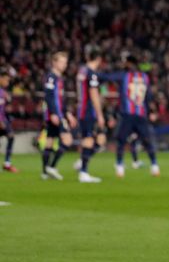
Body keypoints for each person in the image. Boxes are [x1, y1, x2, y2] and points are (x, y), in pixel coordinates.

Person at [106, 53, 160, 178]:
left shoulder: (124, 76)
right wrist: (151, 112)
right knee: (147, 141)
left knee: (121, 141)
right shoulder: (145, 77)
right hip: (141, 114)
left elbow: (107, 77)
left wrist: (93, 74)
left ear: (129, 63)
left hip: (128, 115)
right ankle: (154, 166)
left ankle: (119, 167)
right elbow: (148, 97)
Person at [41, 52, 74, 180]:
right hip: (55, 115)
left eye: (65, 62)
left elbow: (61, 100)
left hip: (58, 113)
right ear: (54, 62)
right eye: (61, 62)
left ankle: (44, 172)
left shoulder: (59, 78)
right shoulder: (51, 77)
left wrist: (68, 113)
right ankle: (52, 167)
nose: (64, 65)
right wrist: (54, 113)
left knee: (49, 141)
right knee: (67, 140)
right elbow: (49, 97)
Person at [74, 47, 106, 183]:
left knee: (99, 140)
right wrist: (100, 114)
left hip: (81, 108)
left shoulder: (81, 71)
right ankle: (83, 172)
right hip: (88, 110)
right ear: (98, 59)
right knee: (88, 139)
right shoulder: (92, 73)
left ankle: (81, 162)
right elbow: (93, 94)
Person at [1, 66, 17, 172]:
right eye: (6, 79)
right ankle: (7, 163)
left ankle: (7, 163)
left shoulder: (3, 91)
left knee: (11, 137)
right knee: (10, 137)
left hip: (3, 119)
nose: (8, 81)